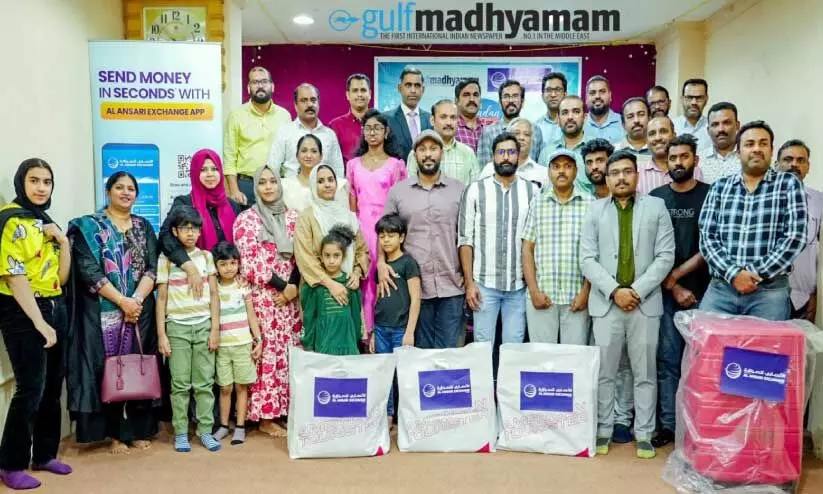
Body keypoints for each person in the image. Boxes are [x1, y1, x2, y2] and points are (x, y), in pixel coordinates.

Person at [580, 150, 675, 459]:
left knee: (644, 372)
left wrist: (635, 290)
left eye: (627, 171)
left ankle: (644, 433)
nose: (621, 177)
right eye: (615, 173)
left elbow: (665, 256)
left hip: (644, 304)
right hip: (606, 304)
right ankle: (603, 429)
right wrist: (614, 291)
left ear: (637, 175)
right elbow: (587, 259)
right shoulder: (594, 210)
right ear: (607, 178)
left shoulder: (656, 207)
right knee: (605, 373)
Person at [67, 172, 159, 455]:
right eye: (119, 187)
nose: (126, 192)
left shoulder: (144, 226)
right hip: (104, 312)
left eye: (131, 188)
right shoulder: (89, 226)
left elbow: (152, 268)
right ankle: (115, 434)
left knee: (138, 368)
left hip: (139, 312)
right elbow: (88, 270)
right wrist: (122, 301)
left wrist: (135, 301)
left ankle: (139, 430)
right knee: (110, 370)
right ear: (108, 192)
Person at [0, 159, 72, 490]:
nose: (41, 188)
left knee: (53, 386)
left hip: (54, 303)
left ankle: (43, 454)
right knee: (30, 387)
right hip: (22, 310)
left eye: (47, 181)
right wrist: (39, 322)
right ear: (21, 183)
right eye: (34, 180)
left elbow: (61, 278)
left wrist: (64, 243)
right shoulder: (10, 220)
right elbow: (14, 277)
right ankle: (10, 464)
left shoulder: (45, 222)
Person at [699, 121, 808, 320]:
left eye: (763, 143)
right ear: (738, 152)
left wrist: (752, 275)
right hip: (721, 289)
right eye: (749, 144)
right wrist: (734, 274)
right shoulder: (720, 188)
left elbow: (795, 237)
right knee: (705, 339)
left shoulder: (788, 184)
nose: (757, 149)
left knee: (764, 342)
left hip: (769, 292)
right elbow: (707, 238)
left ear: (771, 150)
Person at [648, 134, 711, 448]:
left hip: (706, 293)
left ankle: (699, 427)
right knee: (667, 360)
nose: (678, 163)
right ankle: (669, 425)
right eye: (673, 158)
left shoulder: (711, 195)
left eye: (684, 157)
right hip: (665, 294)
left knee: (702, 363)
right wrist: (671, 285)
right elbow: (648, 248)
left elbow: (711, 245)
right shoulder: (656, 199)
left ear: (695, 160)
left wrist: (677, 277)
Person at [233, 165, 302, 437]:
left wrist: (293, 287)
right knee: (268, 354)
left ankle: (283, 410)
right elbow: (250, 263)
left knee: (288, 353)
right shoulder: (247, 220)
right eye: (262, 182)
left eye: (273, 181)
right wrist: (283, 287)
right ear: (255, 187)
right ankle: (265, 416)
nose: (269, 187)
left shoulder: (293, 217)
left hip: (290, 300)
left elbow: (302, 255)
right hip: (264, 297)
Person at [380, 130, 465, 349]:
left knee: (448, 354)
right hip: (414, 289)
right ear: (415, 155)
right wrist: (380, 263)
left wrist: (469, 275)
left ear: (442, 154)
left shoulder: (459, 190)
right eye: (422, 149)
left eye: (433, 149)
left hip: (451, 285)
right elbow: (384, 231)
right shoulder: (398, 192)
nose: (428, 154)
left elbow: (468, 236)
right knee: (419, 355)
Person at [460, 133, 537, 346]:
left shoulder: (532, 191)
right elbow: (465, 240)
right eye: (501, 152)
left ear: (518, 156)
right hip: (484, 284)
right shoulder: (475, 190)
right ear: (492, 156)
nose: (506, 157)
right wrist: (469, 284)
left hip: (518, 286)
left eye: (511, 152)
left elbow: (535, 242)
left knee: (514, 348)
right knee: (482, 347)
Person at [156, 206, 221, 453]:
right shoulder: (166, 259)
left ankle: (205, 431)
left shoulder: (206, 257)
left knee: (204, 383)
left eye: (195, 228)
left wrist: (215, 329)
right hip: (177, 328)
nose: (191, 233)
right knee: (180, 384)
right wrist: (162, 334)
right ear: (175, 231)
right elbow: (161, 298)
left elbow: (214, 294)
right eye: (185, 228)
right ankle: (181, 432)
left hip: (203, 326)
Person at [522, 150, 593, 345]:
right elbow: (527, 249)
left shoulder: (589, 203)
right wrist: (534, 291)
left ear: (576, 171)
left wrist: (586, 292)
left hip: (576, 298)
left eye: (567, 166)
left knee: (575, 358)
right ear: (549, 171)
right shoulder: (538, 203)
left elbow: (595, 254)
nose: (561, 171)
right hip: (543, 296)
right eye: (556, 166)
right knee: (543, 359)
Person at [347, 109, 408, 337]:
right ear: (363, 132)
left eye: (377, 128)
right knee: (362, 280)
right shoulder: (353, 165)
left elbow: (400, 204)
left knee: (385, 281)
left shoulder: (396, 165)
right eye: (368, 128)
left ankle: (383, 334)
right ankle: (364, 334)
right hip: (361, 231)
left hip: (386, 233)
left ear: (386, 132)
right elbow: (352, 204)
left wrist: (394, 235)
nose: (372, 133)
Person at [295, 165, 370, 339]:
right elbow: (305, 257)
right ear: (313, 185)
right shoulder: (307, 217)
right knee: (322, 342)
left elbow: (362, 250)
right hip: (319, 291)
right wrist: (330, 284)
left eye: (331, 180)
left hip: (348, 288)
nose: (327, 184)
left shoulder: (348, 215)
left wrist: (357, 273)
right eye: (320, 181)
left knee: (348, 341)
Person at [159, 149, 243, 298]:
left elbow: (241, 244)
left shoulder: (233, 206)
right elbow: (166, 236)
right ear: (194, 173)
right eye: (203, 170)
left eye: (214, 169)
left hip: (229, 282)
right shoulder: (184, 203)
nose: (210, 174)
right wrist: (189, 266)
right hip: (196, 281)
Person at [369, 214, 420, 425]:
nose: (386, 240)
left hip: (401, 330)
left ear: (402, 237)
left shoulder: (408, 263)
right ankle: (388, 414)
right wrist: (373, 332)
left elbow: (416, 299)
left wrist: (410, 332)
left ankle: (407, 415)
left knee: (404, 374)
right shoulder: (379, 268)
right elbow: (376, 299)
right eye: (382, 236)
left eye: (391, 235)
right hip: (381, 329)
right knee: (385, 373)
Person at [211, 242, 263, 446]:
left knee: (242, 386)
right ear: (216, 266)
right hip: (222, 347)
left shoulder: (243, 287)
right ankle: (224, 425)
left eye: (233, 263)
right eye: (223, 264)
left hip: (243, 344)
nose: (229, 268)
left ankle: (240, 426)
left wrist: (258, 340)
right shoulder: (213, 289)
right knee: (225, 388)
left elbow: (251, 315)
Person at [224, 66, 292, 205]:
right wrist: (234, 190)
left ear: (272, 86)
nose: (260, 86)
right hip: (246, 186)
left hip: (276, 183)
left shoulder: (284, 116)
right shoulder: (236, 115)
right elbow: (229, 156)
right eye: (255, 82)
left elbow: (289, 155)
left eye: (264, 81)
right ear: (248, 88)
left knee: (277, 220)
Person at [301, 225, 364, 356]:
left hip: (348, 346)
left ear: (343, 257)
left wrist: (357, 340)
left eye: (336, 256)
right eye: (327, 255)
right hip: (324, 346)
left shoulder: (350, 284)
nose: (331, 260)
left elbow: (356, 317)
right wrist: (308, 344)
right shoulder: (316, 287)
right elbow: (309, 318)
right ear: (321, 257)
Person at [776, 139, 821, 321]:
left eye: (800, 160)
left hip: (804, 298)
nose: (794, 164)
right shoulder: (762, 197)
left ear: (808, 167)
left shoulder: (819, 201)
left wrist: (817, 295)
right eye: (788, 159)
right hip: (766, 294)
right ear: (776, 164)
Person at [268, 83, 345, 179]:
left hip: (323, 188)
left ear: (318, 103)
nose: (309, 104)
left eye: (313, 100)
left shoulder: (329, 135)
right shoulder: (284, 132)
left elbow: (338, 171)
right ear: (295, 105)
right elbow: (273, 168)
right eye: (304, 100)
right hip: (291, 187)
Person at [407, 99, 479, 184]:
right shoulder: (417, 154)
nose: (448, 123)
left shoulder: (468, 153)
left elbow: (475, 188)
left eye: (453, 117)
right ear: (432, 120)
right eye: (443, 117)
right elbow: (410, 188)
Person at [477, 79, 544, 166]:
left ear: (522, 101)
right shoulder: (488, 132)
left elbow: (539, 167)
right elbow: (484, 168)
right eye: (506, 96)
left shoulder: (535, 130)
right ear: (500, 102)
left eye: (515, 96)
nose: (511, 100)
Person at [538, 96, 594, 195]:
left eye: (576, 112)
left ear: (585, 117)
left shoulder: (597, 150)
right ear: (558, 119)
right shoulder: (546, 154)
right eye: (565, 113)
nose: (570, 117)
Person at [281, 134, 350, 213]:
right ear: (297, 155)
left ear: (321, 156)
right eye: (304, 151)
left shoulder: (337, 185)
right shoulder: (285, 186)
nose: (309, 155)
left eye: (314, 151)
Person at [637, 116, 704, 195]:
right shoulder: (637, 173)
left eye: (663, 131)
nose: (657, 138)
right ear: (646, 141)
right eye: (652, 134)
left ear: (674, 136)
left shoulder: (694, 170)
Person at [479, 118, 547, 188]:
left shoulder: (542, 173)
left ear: (532, 140)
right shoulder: (490, 169)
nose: (521, 137)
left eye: (526, 134)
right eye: (517, 133)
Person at [383, 66, 432, 160]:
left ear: (423, 90)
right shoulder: (385, 119)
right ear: (400, 88)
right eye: (408, 85)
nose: (413, 90)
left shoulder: (431, 119)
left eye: (417, 85)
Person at [328, 73, 372, 164]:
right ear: (348, 95)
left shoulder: (381, 123)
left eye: (363, 90)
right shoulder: (335, 126)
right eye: (355, 91)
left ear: (370, 94)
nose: (359, 94)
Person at [698, 102, 742, 184]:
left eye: (726, 123)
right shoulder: (698, 161)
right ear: (708, 130)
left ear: (737, 125)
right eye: (715, 124)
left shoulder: (748, 157)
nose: (721, 129)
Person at [673, 79, 711, 153]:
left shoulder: (714, 127)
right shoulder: (672, 126)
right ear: (682, 99)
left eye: (699, 98)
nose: (694, 102)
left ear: (706, 99)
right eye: (689, 97)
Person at [583, 75, 624, 143]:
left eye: (602, 91)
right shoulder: (579, 124)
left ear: (610, 96)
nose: (597, 96)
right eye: (592, 93)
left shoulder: (623, 122)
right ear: (586, 98)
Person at [615, 97, 652, 169]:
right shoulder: (614, 151)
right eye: (630, 116)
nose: (636, 120)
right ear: (623, 124)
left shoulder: (659, 149)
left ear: (650, 119)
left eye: (641, 114)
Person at [454, 78, 485, 152]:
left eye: (476, 95)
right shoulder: (451, 129)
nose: (472, 99)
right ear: (457, 100)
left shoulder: (487, 129)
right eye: (466, 95)